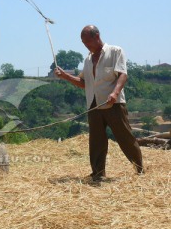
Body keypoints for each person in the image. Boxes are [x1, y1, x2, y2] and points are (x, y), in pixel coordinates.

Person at [54, 25, 144, 181]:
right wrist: (65, 76)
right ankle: (98, 173)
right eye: (83, 43)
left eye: (88, 41)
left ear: (97, 36)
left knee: (125, 137)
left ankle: (140, 169)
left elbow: (123, 75)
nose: (86, 45)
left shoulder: (115, 51)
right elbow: (83, 83)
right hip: (94, 105)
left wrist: (115, 93)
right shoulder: (88, 59)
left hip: (113, 104)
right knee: (96, 140)